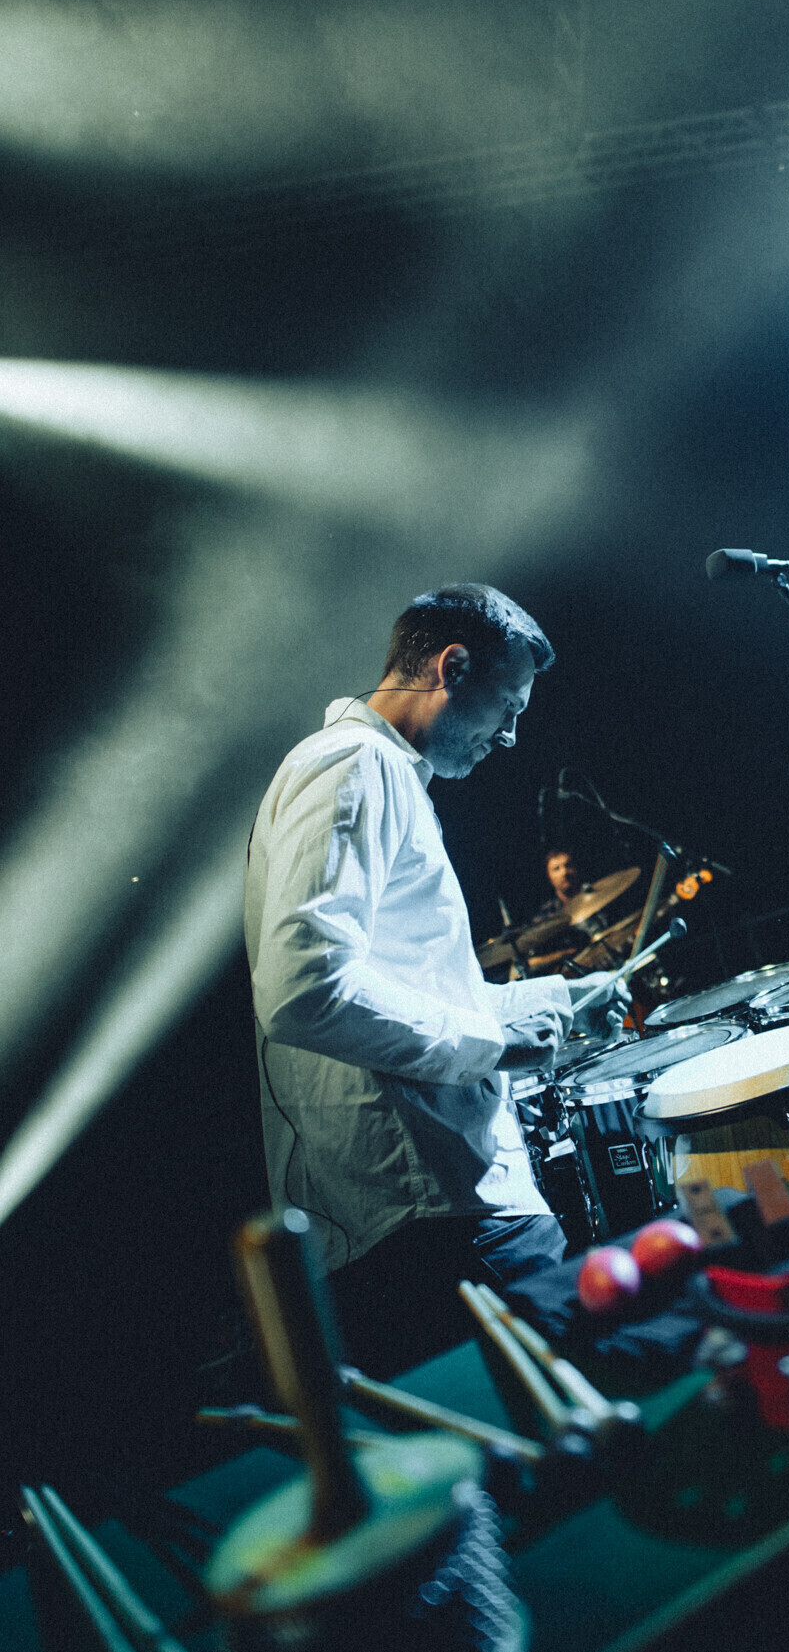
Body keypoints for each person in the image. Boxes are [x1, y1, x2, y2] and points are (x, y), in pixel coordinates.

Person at [245, 582, 626, 1375]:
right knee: (582, 1398)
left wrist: (555, 999)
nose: (511, 735)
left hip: (437, 1204)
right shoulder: (357, 765)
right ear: (451, 667)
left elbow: (405, 989)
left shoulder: (375, 770)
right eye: (508, 705)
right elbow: (303, 988)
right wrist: (494, 1043)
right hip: (438, 1203)